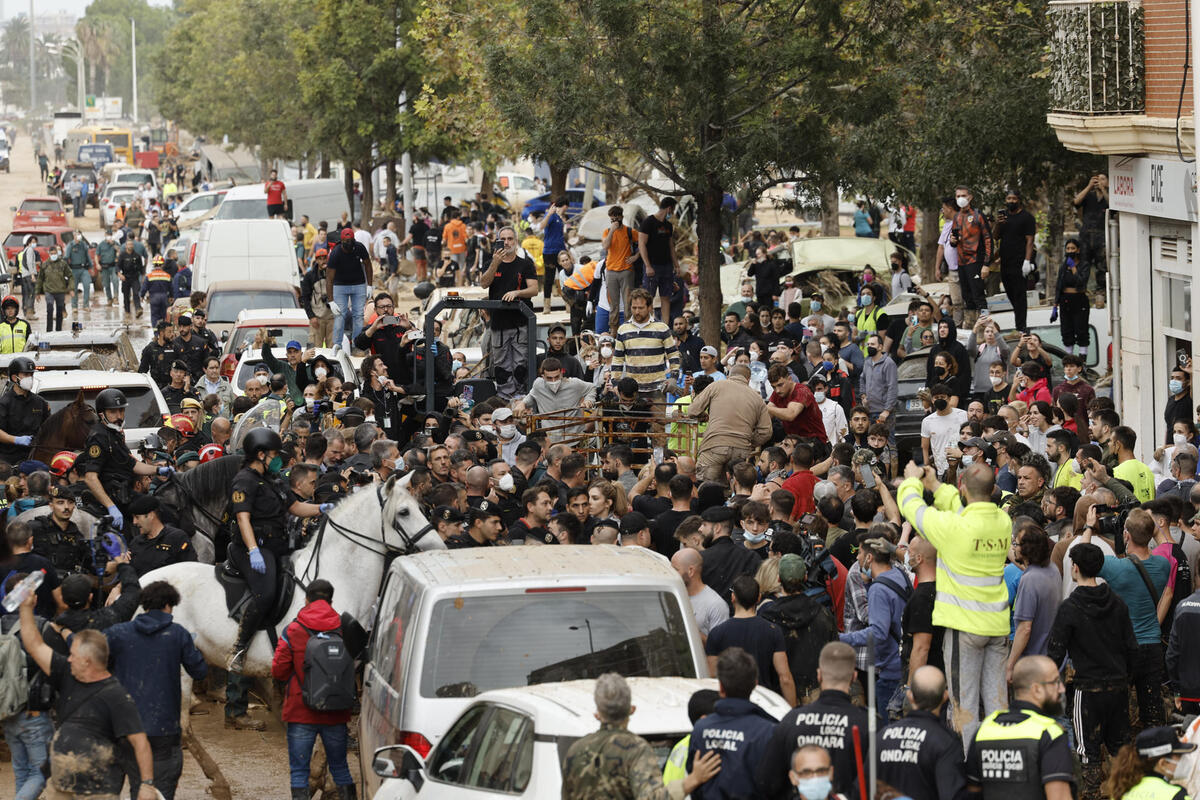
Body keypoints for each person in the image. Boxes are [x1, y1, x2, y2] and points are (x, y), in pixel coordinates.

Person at [897, 461, 1010, 748]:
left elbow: (911, 507)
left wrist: (912, 481)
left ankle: (969, 770)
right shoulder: (1002, 521)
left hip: (964, 628)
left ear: (962, 488)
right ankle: (1003, 760)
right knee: (997, 703)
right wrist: (935, 486)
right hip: (996, 627)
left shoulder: (951, 527)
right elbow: (964, 511)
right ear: (993, 489)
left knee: (965, 706)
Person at [16, 594, 159, 800]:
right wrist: (25, 608)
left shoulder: (116, 695)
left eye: (74, 655)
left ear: (87, 661)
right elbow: (35, 646)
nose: (69, 658)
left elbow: (140, 742)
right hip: (59, 787)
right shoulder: (67, 673)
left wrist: (146, 784)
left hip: (97, 791)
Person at [1046, 541, 1138, 798]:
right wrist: (1127, 678)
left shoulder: (1070, 607)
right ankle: (1126, 793)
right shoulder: (1117, 602)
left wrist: (1051, 683)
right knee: (1121, 748)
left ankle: (1093, 795)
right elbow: (1132, 647)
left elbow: (1055, 652)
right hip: (1118, 685)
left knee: (1088, 753)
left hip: (1087, 689)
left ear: (1074, 568)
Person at [105, 581, 207, 800]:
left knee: (131, 787)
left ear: (144, 605)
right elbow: (199, 671)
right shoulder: (178, 634)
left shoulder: (118, 633)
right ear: (170, 605)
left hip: (125, 726)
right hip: (164, 729)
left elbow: (95, 659)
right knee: (159, 790)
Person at [1078, 507, 1170, 730]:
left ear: (1126, 535)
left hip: (1124, 648)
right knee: (1152, 709)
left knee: (1118, 711)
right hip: (1153, 645)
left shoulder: (1117, 568)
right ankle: (1154, 753)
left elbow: (1081, 556)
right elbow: (1164, 546)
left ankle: (1121, 755)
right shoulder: (1164, 565)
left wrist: (1090, 526)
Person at [562, 672, 716, 800]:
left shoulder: (575, 750)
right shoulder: (636, 749)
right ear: (632, 709)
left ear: (597, 714)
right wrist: (693, 779)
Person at [272, 579, 357, 800]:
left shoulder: (294, 628)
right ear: (331, 600)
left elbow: (278, 670)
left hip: (301, 712)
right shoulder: (345, 628)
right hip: (336, 712)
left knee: (299, 772)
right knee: (340, 768)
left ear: (306, 599)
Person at [758, 642, 872, 799]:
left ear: (819, 675)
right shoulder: (868, 724)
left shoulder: (792, 721)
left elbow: (768, 782)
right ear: (854, 676)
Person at [225, 428, 289, 676]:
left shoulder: (273, 480)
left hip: (277, 544)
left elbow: (294, 506)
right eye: (274, 454)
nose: (277, 459)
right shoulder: (244, 480)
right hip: (252, 548)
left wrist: (324, 509)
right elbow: (243, 518)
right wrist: (253, 551)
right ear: (261, 454)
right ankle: (240, 648)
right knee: (265, 592)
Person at [966, 655, 1075, 799]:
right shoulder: (1049, 733)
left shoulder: (984, 730)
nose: (1061, 688)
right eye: (1055, 682)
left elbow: (972, 792)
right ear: (1036, 689)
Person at [688, 647, 779, 799]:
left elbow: (693, 781)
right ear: (755, 684)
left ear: (721, 687)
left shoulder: (701, 728)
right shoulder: (767, 732)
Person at [79, 389, 169, 531]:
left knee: (163, 507)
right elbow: (90, 478)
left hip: (125, 493)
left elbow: (132, 464)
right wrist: (111, 507)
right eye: (113, 412)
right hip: (112, 497)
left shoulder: (116, 434)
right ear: (102, 414)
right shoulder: (98, 437)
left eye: (121, 411)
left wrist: (158, 470)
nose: (119, 416)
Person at [875, 666, 968, 800]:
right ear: (945, 697)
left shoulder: (883, 736)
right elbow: (954, 795)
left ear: (910, 696)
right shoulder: (947, 743)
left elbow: (864, 787)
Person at [705, 575, 797, 705]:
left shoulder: (717, 633)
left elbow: (712, 677)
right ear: (759, 598)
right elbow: (785, 677)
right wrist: (790, 713)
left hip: (730, 703)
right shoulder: (773, 631)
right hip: (765, 703)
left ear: (733, 598)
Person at [481, 226, 539, 400]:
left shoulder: (525, 264)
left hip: (521, 322)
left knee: (521, 363)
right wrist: (494, 263)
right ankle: (505, 398)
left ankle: (521, 398)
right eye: (503, 239)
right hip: (499, 323)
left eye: (510, 239)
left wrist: (517, 293)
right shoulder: (490, 263)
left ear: (516, 241)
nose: (506, 242)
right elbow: (483, 283)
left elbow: (534, 289)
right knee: (501, 364)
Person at [688, 364, 773, 482]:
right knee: (735, 489)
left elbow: (692, 410)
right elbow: (766, 432)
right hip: (741, 450)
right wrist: (748, 441)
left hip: (714, 446)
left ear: (728, 376)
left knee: (705, 488)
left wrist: (704, 416)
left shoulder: (716, 386)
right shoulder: (757, 398)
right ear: (748, 379)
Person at [614, 288, 680, 401]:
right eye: (634, 308)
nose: (637, 312)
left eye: (641, 308)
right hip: (632, 390)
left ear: (649, 307)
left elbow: (673, 355)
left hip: (658, 389)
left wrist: (674, 377)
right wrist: (615, 383)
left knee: (657, 419)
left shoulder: (662, 328)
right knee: (634, 419)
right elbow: (617, 359)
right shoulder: (623, 329)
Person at [1103, 726, 1194, 800]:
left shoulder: (1121, 791)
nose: (1185, 759)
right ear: (1162, 763)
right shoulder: (1176, 795)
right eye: (1180, 756)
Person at [992, 190, 1037, 332]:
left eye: (1014, 198)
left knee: (1019, 295)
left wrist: (1027, 260)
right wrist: (998, 223)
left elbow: (1030, 240)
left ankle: (1021, 327)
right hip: (1005, 262)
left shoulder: (1027, 217)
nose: (1011, 201)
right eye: (1008, 198)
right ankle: (1019, 323)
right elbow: (995, 236)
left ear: (1019, 200)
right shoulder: (1003, 217)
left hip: (1019, 262)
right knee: (1010, 292)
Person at [949, 186, 992, 328]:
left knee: (979, 296)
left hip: (976, 261)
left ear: (970, 197)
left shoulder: (978, 215)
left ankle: (986, 327)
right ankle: (972, 328)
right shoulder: (956, 217)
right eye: (957, 196)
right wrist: (952, 241)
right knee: (967, 298)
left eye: (963, 195)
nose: (960, 198)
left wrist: (986, 263)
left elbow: (988, 239)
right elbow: (955, 240)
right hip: (961, 263)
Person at [325, 227, 373, 349]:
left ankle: (357, 345)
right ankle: (337, 344)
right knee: (340, 315)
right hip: (340, 286)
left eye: (351, 241)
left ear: (354, 240)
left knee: (358, 315)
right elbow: (329, 278)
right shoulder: (335, 253)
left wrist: (370, 285)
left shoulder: (359, 247)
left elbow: (368, 264)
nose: (349, 245)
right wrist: (331, 301)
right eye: (346, 242)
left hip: (358, 284)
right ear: (341, 241)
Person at [127, 494, 197, 576]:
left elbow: (191, 569)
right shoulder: (135, 543)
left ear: (151, 515)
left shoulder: (177, 538)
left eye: (137, 517)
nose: (134, 522)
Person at [638, 197, 682, 326]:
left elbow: (671, 246)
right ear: (669, 208)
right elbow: (642, 244)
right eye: (673, 209)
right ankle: (648, 324)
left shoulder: (668, 225)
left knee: (666, 296)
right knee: (648, 298)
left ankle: (664, 325)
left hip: (666, 266)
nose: (673, 213)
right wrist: (647, 265)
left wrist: (676, 265)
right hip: (652, 266)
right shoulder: (648, 222)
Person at [0, 357, 49, 467]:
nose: (30, 378)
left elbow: (48, 427)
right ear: (14, 377)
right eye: (26, 375)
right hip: (8, 460)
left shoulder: (40, 402)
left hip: (34, 458)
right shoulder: (4, 403)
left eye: (31, 375)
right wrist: (15, 440)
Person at [672, 547, 730, 640]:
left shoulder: (716, 605)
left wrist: (688, 628)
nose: (672, 574)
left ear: (691, 571)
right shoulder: (674, 595)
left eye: (675, 570)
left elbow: (718, 648)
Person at [601, 205, 638, 334]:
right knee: (613, 304)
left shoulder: (629, 231)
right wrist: (612, 230)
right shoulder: (607, 231)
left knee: (628, 303)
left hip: (626, 270)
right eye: (612, 218)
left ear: (622, 217)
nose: (615, 220)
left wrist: (636, 256)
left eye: (617, 217)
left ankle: (629, 329)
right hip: (611, 270)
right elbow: (605, 246)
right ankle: (614, 331)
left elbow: (644, 243)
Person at [921, 383, 969, 477]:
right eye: (936, 397)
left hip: (963, 468)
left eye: (943, 397)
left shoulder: (963, 415)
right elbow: (925, 447)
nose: (939, 400)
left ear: (949, 398)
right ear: (932, 400)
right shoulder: (927, 421)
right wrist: (927, 467)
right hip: (941, 470)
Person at [1054, 239, 1091, 358]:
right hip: (1065, 301)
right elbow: (1059, 284)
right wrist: (1055, 304)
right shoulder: (1063, 266)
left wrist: (1074, 268)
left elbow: (1081, 282)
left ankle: (1082, 359)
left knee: (1081, 330)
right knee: (1066, 331)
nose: (1070, 251)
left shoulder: (1084, 265)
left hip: (1079, 300)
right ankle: (1069, 358)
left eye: (1073, 248)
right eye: (1068, 248)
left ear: (1078, 250)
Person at [1073, 173, 1108, 292]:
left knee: (1102, 266)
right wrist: (1089, 186)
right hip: (1086, 235)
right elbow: (1076, 202)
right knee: (1083, 264)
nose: (1100, 181)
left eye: (1103, 179)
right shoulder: (1089, 195)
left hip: (1102, 235)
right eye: (1098, 179)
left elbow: (1112, 206)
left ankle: (1101, 293)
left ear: (1108, 182)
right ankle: (1081, 291)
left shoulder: (1109, 196)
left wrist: (1103, 190)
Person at [35, 246, 71, 332]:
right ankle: (49, 331)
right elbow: (40, 279)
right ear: (49, 254)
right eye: (52, 254)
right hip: (49, 291)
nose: (53, 255)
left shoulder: (63, 264)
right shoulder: (45, 265)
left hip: (60, 291)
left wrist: (71, 289)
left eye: (55, 253)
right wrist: (37, 292)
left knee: (59, 311)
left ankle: (58, 330)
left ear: (57, 254)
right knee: (50, 309)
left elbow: (70, 275)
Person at [64, 231, 94, 315]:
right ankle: (74, 307)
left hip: (83, 268)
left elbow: (87, 256)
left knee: (87, 285)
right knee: (74, 288)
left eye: (79, 234)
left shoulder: (83, 244)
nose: (78, 236)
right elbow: (66, 257)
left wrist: (91, 267)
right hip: (73, 269)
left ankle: (86, 305)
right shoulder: (70, 245)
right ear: (74, 236)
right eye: (77, 234)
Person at [117, 239, 145, 318]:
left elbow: (141, 267)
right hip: (125, 277)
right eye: (129, 244)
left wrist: (143, 276)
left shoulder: (137, 255)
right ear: (126, 246)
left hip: (135, 277)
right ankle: (127, 311)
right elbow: (118, 266)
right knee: (126, 295)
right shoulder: (122, 255)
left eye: (132, 245)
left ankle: (138, 309)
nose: (130, 246)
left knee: (136, 293)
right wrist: (119, 274)